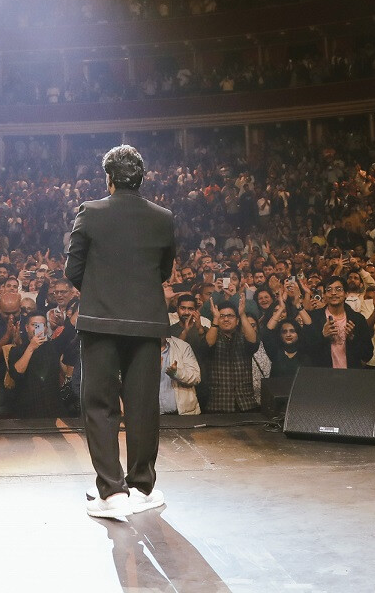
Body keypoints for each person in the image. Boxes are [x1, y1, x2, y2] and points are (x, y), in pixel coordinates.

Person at [65, 144, 176, 520]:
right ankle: (142, 488)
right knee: (143, 405)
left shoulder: (90, 213)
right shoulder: (163, 218)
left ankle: (112, 493)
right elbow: (165, 271)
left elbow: (72, 270)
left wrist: (101, 292)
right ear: (141, 178)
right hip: (146, 323)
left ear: (108, 178)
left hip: (99, 321)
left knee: (100, 404)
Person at [300, 277, 372, 369]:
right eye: (329, 290)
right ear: (325, 295)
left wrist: (352, 339)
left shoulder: (357, 319)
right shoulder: (314, 318)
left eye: (338, 289)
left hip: (351, 375)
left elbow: (368, 354)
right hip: (323, 375)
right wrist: (323, 336)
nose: (333, 293)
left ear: (346, 294)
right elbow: (305, 350)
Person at [202, 302, 261, 414]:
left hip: (246, 403)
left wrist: (242, 314)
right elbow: (207, 345)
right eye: (222, 316)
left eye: (230, 316)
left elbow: (254, 342)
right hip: (218, 404)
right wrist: (215, 319)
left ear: (237, 320)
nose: (226, 319)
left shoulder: (244, 338)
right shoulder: (212, 336)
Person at [159, 327, 202, 416]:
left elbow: (196, 377)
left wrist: (176, 373)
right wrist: (152, 371)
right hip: (151, 417)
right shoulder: (139, 349)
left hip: (183, 415)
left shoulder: (182, 347)